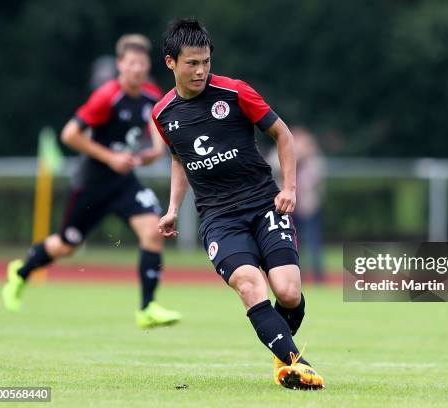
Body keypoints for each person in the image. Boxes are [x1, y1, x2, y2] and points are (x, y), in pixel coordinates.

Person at [154, 18, 324, 390]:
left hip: (265, 204)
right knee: (250, 285)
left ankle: (282, 354)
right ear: (171, 62)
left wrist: (290, 188)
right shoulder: (163, 114)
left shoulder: (235, 93)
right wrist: (171, 207)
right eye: (191, 63)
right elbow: (179, 158)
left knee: (288, 292)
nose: (200, 71)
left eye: (206, 62)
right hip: (218, 219)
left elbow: (283, 134)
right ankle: (296, 364)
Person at [2, 34, 182, 329]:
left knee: (153, 231)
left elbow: (156, 123)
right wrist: (110, 157)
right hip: (92, 184)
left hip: (124, 182)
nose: (137, 69)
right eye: (131, 63)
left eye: (142, 63)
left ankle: (147, 308)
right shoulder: (106, 96)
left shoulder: (151, 94)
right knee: (67, 245)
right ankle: (21, 273)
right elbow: (70, 134)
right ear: (120, 65)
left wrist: (156, 151)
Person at [268, 126, 326, 283]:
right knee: (287, 241)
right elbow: (273, 167)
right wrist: (295, 157)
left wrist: (304, 157)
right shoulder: (280, 149)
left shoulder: (313, 157)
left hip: (308, 207)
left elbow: (314, 178)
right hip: (286, 207)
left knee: (312, 241)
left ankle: (318, 276)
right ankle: (293, 275)